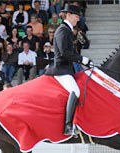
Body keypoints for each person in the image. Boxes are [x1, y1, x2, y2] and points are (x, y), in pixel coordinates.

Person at [45, 4, 93, 136]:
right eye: (76, 16)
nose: (78, 19)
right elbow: (64, 53)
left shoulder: (69, 31)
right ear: (69, 15)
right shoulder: (62, 30)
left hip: (67, 68)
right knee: (75, 91)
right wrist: (83, 59)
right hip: (61, 69)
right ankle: (67, 126)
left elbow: (73, 50)